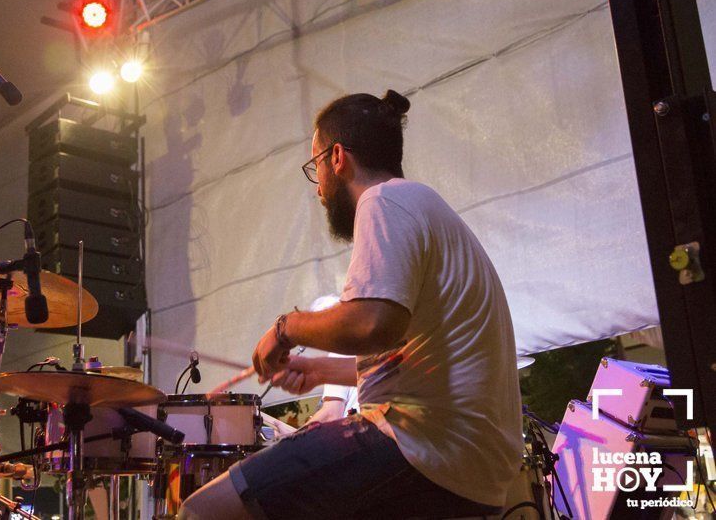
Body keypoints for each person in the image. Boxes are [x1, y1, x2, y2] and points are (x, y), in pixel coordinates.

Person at [180, 90, 523, 519]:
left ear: (337, 157)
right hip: (472, 469)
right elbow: (415, 355)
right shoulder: (423, 207)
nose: (319, 189)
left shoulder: (383, 201)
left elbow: (371, 324)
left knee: (205, 511)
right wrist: (321, 370)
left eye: (315, 168)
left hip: (423, 447)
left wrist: (286, 328)